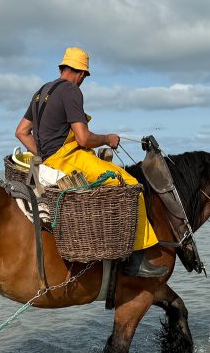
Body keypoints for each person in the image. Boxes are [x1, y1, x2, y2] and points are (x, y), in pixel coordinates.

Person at [14, 47, 163, 277]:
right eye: (85, 77)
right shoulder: (72, 91)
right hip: (69, 159)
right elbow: (83, 138)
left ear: (63, 67)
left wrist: (43, 155)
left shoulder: (41, 92)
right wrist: (107, 139)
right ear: (82, 73)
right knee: (130, 184)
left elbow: (22, 132)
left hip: (50, 162)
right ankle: (135, 259)